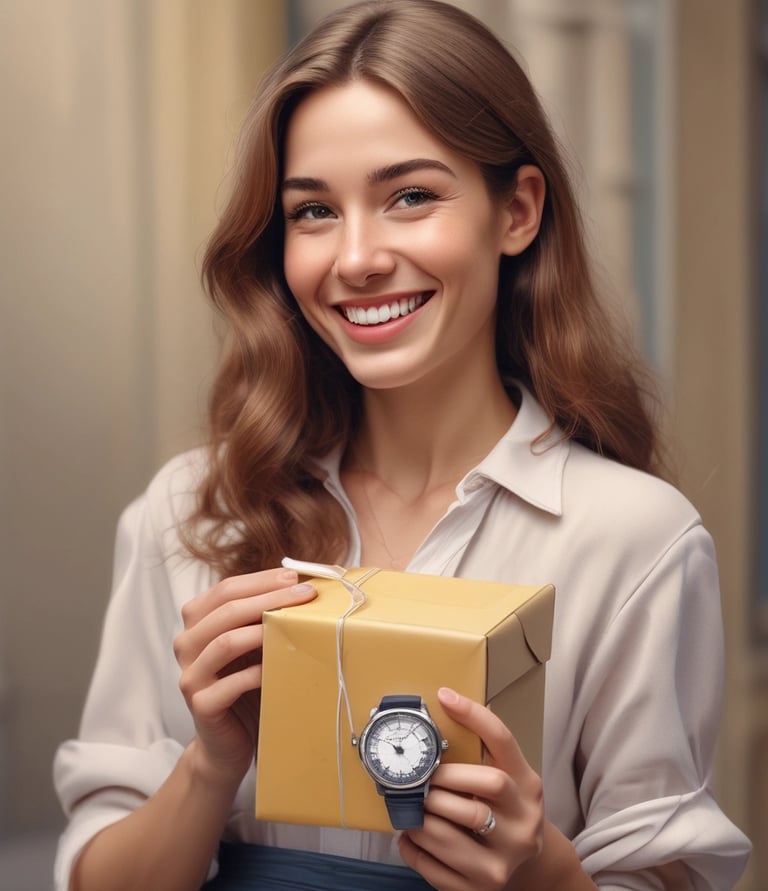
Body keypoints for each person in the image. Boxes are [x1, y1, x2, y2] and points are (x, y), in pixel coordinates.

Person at [53, 1, 752, 889]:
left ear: (518, 212)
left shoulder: (637, 541)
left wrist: (541, 869)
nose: (356, 258)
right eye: (312, 212)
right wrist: (210, 763)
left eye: (410, 196)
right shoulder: (191, 512)